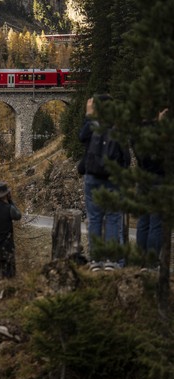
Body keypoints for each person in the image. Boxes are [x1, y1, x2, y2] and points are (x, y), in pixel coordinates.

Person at [79, 95, 130, 264]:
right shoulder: (118, 127)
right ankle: (112, 260)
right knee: (113, 218)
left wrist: (89, 115)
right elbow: (126, 158)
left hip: (92, 178)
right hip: (113, 179)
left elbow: (82, 137)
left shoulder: (93, 125)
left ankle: (96, 260)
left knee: (94, 218)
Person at [134, 108, 167, 266]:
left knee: (143, 222)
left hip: (142, 179)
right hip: (159, 180)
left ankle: (141, 261)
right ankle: (152, 263)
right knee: (157, 223)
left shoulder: (138, 131)